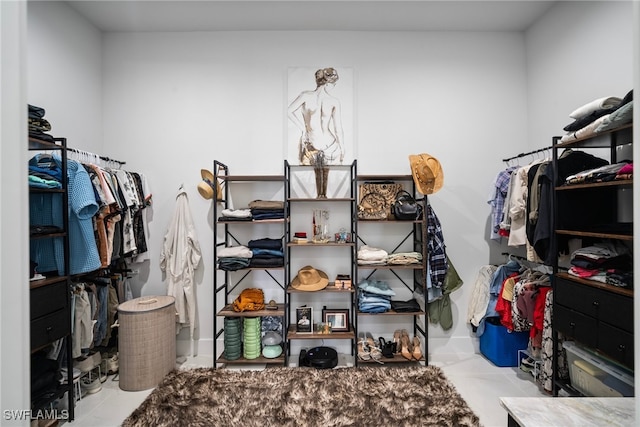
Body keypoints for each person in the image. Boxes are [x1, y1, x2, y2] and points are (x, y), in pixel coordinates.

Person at [288, 67, 345, 198]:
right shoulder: (333, 101)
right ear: (329, 83)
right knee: (320, 182)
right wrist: (342, 148)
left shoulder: (306, 96)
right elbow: (338, 129)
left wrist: (303, 128)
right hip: (330, 144)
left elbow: (289, 111)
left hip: (315, 144)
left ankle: (321, 199)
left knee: (317, 182)